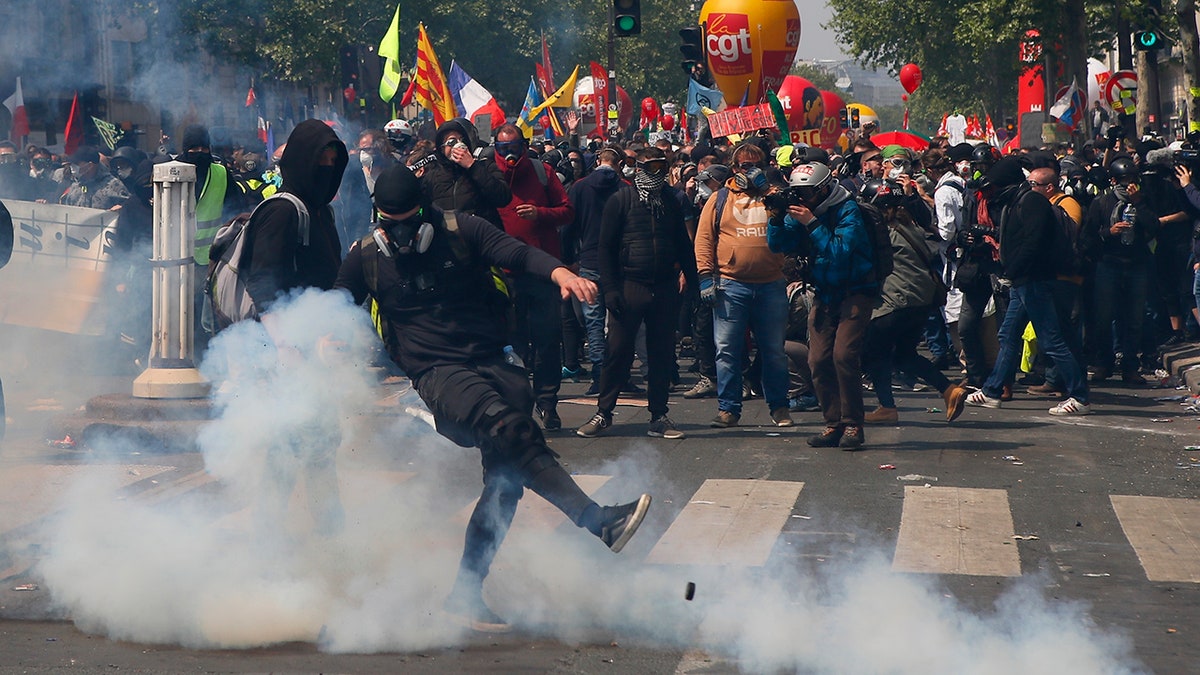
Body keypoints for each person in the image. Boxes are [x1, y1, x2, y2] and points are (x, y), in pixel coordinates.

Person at [334, 165, 651, 633]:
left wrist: (561, 271)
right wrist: (329, 333)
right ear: (378, 218)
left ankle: (465, 591)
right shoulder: (366, 256)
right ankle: (598, 520)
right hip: (438, 373)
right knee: (511, 430)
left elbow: (518, 253)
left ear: (426, 210)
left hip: (493, 361)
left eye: (409, 220)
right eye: (389, 222)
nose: (400, 233)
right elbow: (338, 298)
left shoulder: (462, 229)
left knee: (506, 481)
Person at [238, 118, 351, 536]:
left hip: (314, 349)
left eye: (334, 159)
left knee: (321, 441)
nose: (327, 165)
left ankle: (328, 529)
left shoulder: (321, 211)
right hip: (283, 350)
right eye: (320, 157)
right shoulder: (282, 211)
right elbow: (261, 281)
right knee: (287, 444)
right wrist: (285, 347)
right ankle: (271, 537)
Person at [575, 147, 698, 439]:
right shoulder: (621, 200)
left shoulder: (671, 200)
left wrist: (692, 284)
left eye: (661, 167)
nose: (656, 174)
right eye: (650, 167)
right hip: (629, 285)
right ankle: (603, 413)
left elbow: (683, 245)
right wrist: (611, 290)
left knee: (661, 353)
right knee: (617, 352)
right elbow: (604, 248)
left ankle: (659, 415)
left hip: (664, 286)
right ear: (638, 169)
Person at [965, 158, 1092, 415]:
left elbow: (1033, 242)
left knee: (1052, 339)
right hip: (1022, 282)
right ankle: (992, 391)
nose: (993, 193)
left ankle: (1079, 396)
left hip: (1034, 281)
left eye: (996, 186)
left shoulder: (1031, 201)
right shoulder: (1016, 201)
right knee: (1008, 336)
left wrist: (1013, 268)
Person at [768, 162, 877, 448]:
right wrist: (777, 218)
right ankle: (833, 423)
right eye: (797, 193)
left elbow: (839, 251)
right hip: (824, 291)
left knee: (843, 355)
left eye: (807, 193)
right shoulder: (804, 211)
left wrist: (812, 223)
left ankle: (853, 423)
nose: (802, 199)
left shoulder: (847, 209)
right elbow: (777, 245)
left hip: (856, 291)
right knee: (817, 359)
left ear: (824, 188)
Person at [695, 143, 793, 429]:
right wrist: (704, 276)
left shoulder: (774, 197)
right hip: (730, 284)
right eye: (742, 166)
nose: (747, 171)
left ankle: (779, 407)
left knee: (774, 349)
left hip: (771, 284)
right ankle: (728, 409)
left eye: (754, 165)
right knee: (726, 349)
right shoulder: (720, 198)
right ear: (732, 168)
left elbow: (790, 226)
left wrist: (768, 193)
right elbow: (704, 239)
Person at [857, 179, 969, 424]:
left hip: (896, 300)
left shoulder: (879, 230)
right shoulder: (909, 224)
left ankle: (886, 407)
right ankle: (949, 389)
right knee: (904, 355)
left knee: (874, 354)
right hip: (922, 299)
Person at [492, 124, 575, 431]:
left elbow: (567, 211)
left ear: (524, 146)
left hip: (542, 272)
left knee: (547, 342)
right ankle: (517, 405)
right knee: (511, 346)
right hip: (505, 275)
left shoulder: (543, 172)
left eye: (514, 147)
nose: (509, 155)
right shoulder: (489, 176)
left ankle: (548, 403)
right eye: (503, 149)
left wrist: (540, 213)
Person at [1081, 155, 1159, 385]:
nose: (1128, 185)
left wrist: (1140, 204)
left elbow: (1154, 227)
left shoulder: (1143, 199)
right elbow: (1087, 238)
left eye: (1132, 180)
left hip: (1137, 265)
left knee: (1135, 318)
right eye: (1123, 181)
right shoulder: (1101, 203)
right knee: (1104, 318)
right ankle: (1104, 363)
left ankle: (1130, 366)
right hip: (1109, 264)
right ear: (1114, 181)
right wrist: (1109, 232)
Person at [562, 146, 625, 395]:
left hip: (588, 260)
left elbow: (568, 226)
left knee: (593, 322)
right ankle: (618, 374)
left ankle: (600, 375)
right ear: (618, 163)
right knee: (619, 321)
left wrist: (567, 257)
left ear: (598, 160)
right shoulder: (624, 188)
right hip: (618, 262)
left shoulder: (580, 187)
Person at [422, 117, 510, 230]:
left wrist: (472, 166)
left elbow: (503, 197)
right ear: (441, 148)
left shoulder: (485, 166)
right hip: (450, 242)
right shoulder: (432, 177)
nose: (458, 145)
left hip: (481, 237)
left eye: (462, 140)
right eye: (452, 142)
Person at [60, 146, 129, 210]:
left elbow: (130, 209)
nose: (72, 167)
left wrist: (122, 208)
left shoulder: (114, 185)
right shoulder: (75, 187)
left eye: (76, 164)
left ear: (90, 165)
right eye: (71, 164)